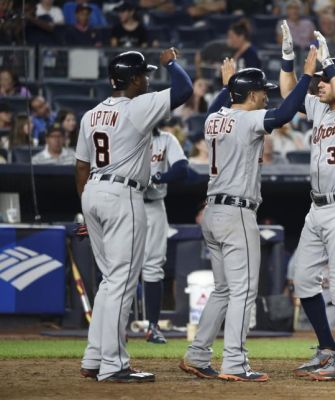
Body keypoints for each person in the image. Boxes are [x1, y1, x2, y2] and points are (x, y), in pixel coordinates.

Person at [180, 44, 316, 382]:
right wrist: (308, 77)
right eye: (262, 91)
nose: (267, 96)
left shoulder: (214, 119)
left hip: (212, 212)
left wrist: (227, 88)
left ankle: (197, 355)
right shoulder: (248, 119)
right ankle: (235, 362)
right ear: (251, 94)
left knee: (224, 289)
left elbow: (217, 109)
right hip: (236, 213)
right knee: (242, 291)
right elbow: (286, 114)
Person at [77, 49, 192, 383]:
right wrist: (171, 62)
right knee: (122, 283)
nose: (148, 79)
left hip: (93, 192)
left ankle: (94, 357)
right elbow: (183, 90)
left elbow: (81, 166)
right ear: (133, 79)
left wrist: (85, 207)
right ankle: (114, 364)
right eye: (145, 74)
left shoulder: (91, 114)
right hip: (122, 194)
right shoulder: (137, 106)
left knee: (109, 282)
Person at [280, 22, 335, 381]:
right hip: (317, 207)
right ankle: (326, 348)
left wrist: (331, 63)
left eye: (324, 79)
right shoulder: (319, 108)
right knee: (303, 279)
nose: (318, 83)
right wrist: (288, 60)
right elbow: (290, 94)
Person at [142, 125, 188, 344]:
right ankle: (116, 327)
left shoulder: (166, 139)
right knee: (121, 267)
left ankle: (152, 326)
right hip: (126, 202)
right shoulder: (126, 131)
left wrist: (160, 177)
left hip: (155, 204)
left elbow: (182, 168)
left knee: (153, 265)